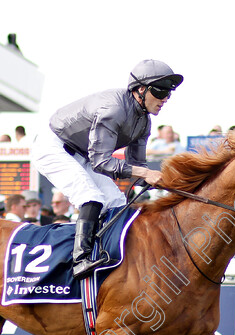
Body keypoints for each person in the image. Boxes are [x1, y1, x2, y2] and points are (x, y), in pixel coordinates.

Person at [33, 59, 179, 279]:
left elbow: (138, 168)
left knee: (117, 203)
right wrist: (146, 174)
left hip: (81, 154)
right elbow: (101, 162)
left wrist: (171, 183)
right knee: (91, 198)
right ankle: (80, 260)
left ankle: (108, 254)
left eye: (168, 93)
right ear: (141, 89)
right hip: (53, 146)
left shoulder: (144, 122)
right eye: (160, 92)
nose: (165, 98)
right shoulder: (114, 109)